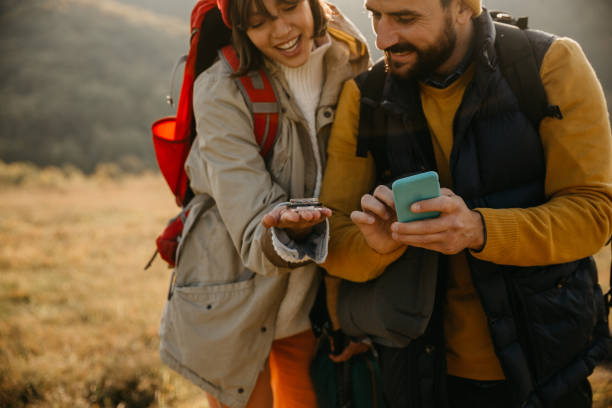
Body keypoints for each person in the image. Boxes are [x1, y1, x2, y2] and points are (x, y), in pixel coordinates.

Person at [319, 0, 612, 407]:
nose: (382, 38)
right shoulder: (364, 95)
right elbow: (331, 236)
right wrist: (377, 245)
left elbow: (594, 213)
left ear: (462, 8)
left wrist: (479, 229)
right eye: (375, 15)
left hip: (547, 366)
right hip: (416, 373)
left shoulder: (549, 65)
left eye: (405, 18)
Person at [157, 0, 370, 407]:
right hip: (228, 302)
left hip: (308, 307)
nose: (281, 31)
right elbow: (253, 217)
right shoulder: (222, 88)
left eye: (289, 7)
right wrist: (286, 229)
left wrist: (357, 311)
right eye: (257, 23)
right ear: (238, 26)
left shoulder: (351, 59)